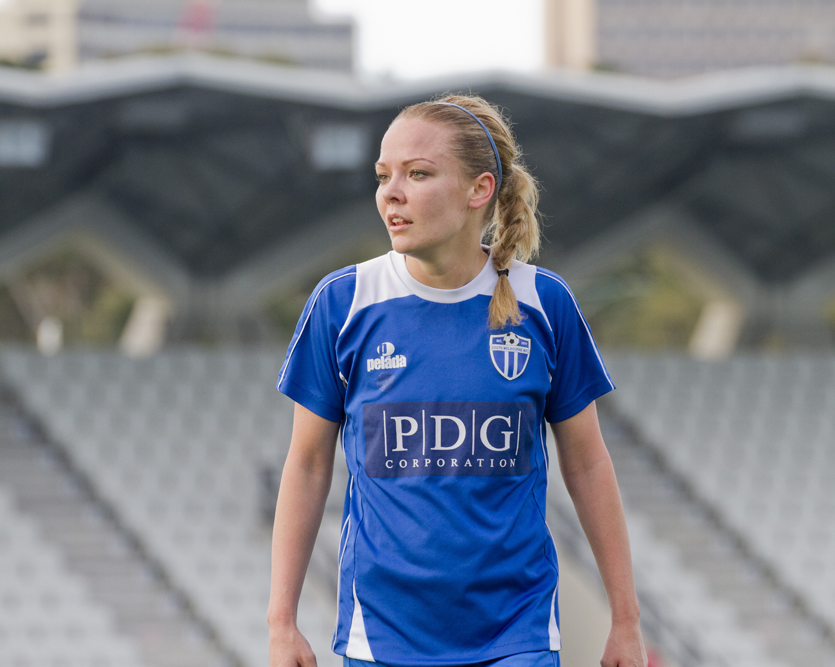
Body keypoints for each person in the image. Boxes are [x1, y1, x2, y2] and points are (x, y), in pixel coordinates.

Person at [268, 94, 648, 667]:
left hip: (516, 635)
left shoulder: (544, 304)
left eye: (418, 174)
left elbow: (589, 464)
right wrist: (281, 622)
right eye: (384, 176)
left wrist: (626, 620)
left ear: (480, 190)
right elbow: (307, 465)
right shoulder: (343, 303)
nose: (391, 193)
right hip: (382, 638)